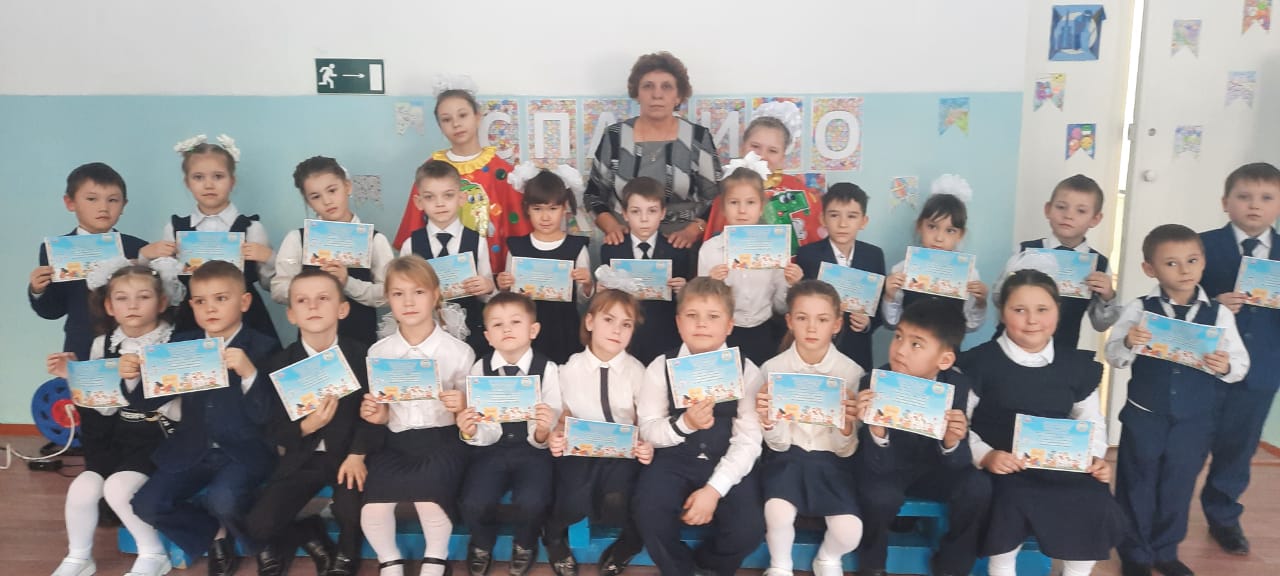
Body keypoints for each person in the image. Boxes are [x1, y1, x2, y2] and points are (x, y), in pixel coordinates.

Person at [961, 265, 1127, 576]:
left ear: (1058, 312)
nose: (1032, 320)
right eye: (1019, 310)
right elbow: (959, 424)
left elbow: (1091, 422)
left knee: (1094, 497)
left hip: (1062, 465)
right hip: (1004, 468)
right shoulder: (979, 362)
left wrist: (1094, 458)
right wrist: (986, 456)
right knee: (1005, 505)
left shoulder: (1075, 366)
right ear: (1002, 313)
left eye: (1042, 309)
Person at [1106, 224, 1250, 576]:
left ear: (1203, 262)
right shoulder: (1139, 309)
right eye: (1171, 263)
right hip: (1144, 416)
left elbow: (1240, 364)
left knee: (1178, 485)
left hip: (1194, 422)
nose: (1184, 270)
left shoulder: (1219, 314)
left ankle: (1165, 551)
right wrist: (1128, 343)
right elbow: (1113, 356)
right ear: (1149, 269)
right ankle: (1136, 554)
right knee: (1136, 483)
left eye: (1192, 260)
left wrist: (1225, 365)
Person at [130, 261, 282, 576]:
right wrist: (133, 377)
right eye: (200, 301)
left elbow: (268, 414)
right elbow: (146, 401)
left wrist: (249, 374)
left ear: (244, 302)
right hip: (192, 449)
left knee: (223, 499)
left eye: (221, 299)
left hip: (244, 451)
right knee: (146, 504)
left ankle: (261, 543)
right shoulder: (181, 345)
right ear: (191, 306)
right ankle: (216, 535)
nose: (210, 308)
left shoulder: (264, 348)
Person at [46, 260, 184, 576]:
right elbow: (103, 406)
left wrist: (138, 378)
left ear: (162, 302)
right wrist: (75, 376)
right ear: (109, 306)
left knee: (119, 488)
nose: (132, 305)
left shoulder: (175, 345)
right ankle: (79, 556)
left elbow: (179, 409)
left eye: (143, 297)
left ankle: (153, 553)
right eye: (122, 298)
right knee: (83, 487)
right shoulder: (102, 344)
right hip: (116, 437)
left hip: (159, 438)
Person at [633, 277, 766, 576]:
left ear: (729, 325)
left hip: (726, 458)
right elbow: (648, 428)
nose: (702, 324)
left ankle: (709, 565)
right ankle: (679, 569)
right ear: (679, 323)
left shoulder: (747, 371)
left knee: (749, 528)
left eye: (713, 316)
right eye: (692, 315)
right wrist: (684, 424)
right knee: (649, 512)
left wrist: (714, 491)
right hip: (673, 459)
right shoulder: (660, 366)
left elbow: (749, 441)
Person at [245, 269, 373, 576]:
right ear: (291, 315)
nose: (313, 306)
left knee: (351, 510)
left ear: (342, 309)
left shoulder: (363, 356)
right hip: (303, 457)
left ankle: (347, 552)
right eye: (302, 301)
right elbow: (273, 428)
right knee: (258, 525)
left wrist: (358, 454)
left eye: (323, 298)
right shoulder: (279, 364)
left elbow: (374, 415)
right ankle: (308, 531)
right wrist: (307, 426)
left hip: (349, 456)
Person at [855, 299, 990, 576]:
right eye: (898, 337)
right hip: (888, 470)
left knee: (977, 487)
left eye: (916, 344)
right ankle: (872, 565)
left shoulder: (957, 386)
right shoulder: (874, 382)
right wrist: (877, 430)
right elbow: (874, 465)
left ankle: (952, 565)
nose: (901, 349)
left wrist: (952, 441)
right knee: (879, 495)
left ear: (945, 360)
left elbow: (958, 462)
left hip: (934, 470)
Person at [360, 256, 475, 576]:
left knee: (429, 501)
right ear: (388, 299)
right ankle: (389, 560)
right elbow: (384, 412)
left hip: (443, 440)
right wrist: (377, 415)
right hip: (396, 442)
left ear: (435, 295)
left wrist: (462, 403)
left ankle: (436, 558)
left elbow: (472, 413)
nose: (408, 302)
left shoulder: (458, 352)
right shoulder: (379, 353)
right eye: (398, 294)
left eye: (419, 292)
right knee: (372, 509)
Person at [755, 281, 866, 576]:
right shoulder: (771, 369)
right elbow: (777, 445)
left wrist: (845, 426)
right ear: (789, 321)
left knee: (850, 531)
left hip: (832, 464)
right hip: (787, 458)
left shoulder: (852, 373)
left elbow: (846, 450)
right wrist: (769, 420)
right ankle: (780, 564)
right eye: (802, 318)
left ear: (837, 324)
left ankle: (828, 558)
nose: (812, 328)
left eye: (823, 319)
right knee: (777, 512)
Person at [1197, 162, 1280, 556]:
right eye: (1244, 196)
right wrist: (1210, 304)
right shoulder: (1201, 246)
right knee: (1186, 445)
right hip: (1204, 368)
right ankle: (1163, 512)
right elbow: (1172, 296)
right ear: (1225, 202)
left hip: (1261, 371)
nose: (1254, 205)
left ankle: (1223, 515)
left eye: (1266, 198)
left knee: (1239, 448)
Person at [543, 289, 654, 576]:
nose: (617, 330)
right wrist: (557, 434)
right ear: (590, 322)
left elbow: (646, 419)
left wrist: (645, 444)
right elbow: (562, 414)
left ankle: (630, 541)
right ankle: (553, 535)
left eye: (626, 324)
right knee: (572, 499)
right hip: (579, 450)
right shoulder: (568, 369)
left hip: (622, 453)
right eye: (609, 319)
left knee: (618, 498)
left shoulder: (638, 372)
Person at [457, 292, 562, 576]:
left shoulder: (547, 369)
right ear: (488, 336)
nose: (507, 329)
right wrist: (470, 430)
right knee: (473, 501)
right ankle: (481, 542)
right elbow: (481, 423)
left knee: (533, 500)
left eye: (515, 322)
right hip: (491, 449)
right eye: (497, 324)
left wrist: (543, 430)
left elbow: (552, 417)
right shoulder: (481, 368)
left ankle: (525, 542)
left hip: (532, 451)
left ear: (533, 330)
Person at [140, 134, 279, 343]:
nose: (208, 185)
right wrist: (147, 257)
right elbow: (167, 287)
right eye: (198, 177)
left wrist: (269, 257)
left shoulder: (252, 228)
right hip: (193, 318)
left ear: (232, 181)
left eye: (218, 176)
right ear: (187, 182)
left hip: (246, 320)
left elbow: (270, 284)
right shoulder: (175, 228)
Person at [585, 51, 722, 249]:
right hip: (626, 243)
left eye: (666, 87)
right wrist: (611, 227)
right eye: (648, 86)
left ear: (678, 96)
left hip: (682, 245)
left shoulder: (698, 138)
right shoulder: (614, 137)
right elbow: (593, 195)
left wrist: (694, 231)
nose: (657, 94)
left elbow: (716, 198)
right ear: (637, 94)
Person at [392, 80, 530, 273]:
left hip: (489, 275)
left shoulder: (501, 171)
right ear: (440, 126)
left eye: (463, 115)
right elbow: (414, 229)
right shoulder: (430, 170)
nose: (456, 124)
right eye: (446, 119)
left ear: (477, 117)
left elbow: (518, 231)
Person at [29, 162, 149, 361]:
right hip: (81, 347)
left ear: (123, 205)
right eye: (92, 199)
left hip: (133, 347)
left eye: (113, 200)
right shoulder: (56, 251)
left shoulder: (138, 248)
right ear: (70, 203)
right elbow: (52, 310)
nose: (103, 207)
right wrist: (37, 290)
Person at [272, 156, 395, 346]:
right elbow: (278, 289)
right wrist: (309, 290)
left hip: (361, 338)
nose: (327, 201)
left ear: (347, 187)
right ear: (308, 201)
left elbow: (389, 294)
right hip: (313, 344)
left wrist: (348, 283)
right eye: (316, 196)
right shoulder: (297, 239)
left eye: (332, 190)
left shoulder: (375, 240)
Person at [993, 174, 1120, 350]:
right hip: (1011, 348)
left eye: (1081, 211)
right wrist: (1014, 282)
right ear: (1048, 209)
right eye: (1061, 207)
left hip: (1061, 352)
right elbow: (998, 298)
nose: (1068, 215)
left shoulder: (1099, 265)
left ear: (1095, 219)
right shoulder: (1025, 252)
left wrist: (1108, 296)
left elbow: (1101, 325)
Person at [697, 156, 802, 365]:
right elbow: (701, 307)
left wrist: (791, 284)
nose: (742, 210)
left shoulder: (774, 248)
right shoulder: (710, 250)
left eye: (750, 202)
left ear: (761, 207)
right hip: (723, 335)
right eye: (734, 202)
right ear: (723, 208)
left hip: (765, 334)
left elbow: (781, 307)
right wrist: (711, 285)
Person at [497, 165, 594, 364]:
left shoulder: (576, 247)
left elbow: (582, 300)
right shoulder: (517, 247)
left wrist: (587, 284)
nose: (545, 217)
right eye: (537, 209)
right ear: (527, 209)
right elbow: (510, 297)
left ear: (564, 208)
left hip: (564, 329)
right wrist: (504, 285)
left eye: (553, 209)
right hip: (526, 331)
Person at [401, 159, 497, 354]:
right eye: (430, 197)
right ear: (418, 202)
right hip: (425, 337)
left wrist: (487, 287)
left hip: (471, 335)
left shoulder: (477, 241)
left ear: (461, 198)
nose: (440, 203)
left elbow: (486, 294)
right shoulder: (410, 245)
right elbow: (402, 292)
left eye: (448, 195)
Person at [703, 102, 825, 251]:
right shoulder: (727, 189)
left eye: (772, 151)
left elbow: (815, 248)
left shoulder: (800, 192)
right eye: (755, 146)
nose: (762, 156)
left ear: (782, 156)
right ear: (742, 147)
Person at [598, 176, 692, 364]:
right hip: (624, 337)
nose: (644, 219)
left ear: (663, 213)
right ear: (625, 214)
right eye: (635, 211)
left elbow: (686, 304)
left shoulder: (677, 251)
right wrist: (601, 291)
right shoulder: (611, 249)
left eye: (652, 211)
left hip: (665, 336)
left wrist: (684, 289)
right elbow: (608, 300)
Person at [881, 175, 988, 333]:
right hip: (910, 345)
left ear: (960, 235)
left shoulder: (969, 275)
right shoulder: (901, 270)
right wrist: (889, 296)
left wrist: (980, 302)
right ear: (919, 226)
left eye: (950, 230)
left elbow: (970, 326)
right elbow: (892, 323)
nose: (939, 238)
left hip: (947, 347)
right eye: (932, 227)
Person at [795, 182, 885, 371]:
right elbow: (799, 304)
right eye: (834, 215)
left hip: (857, 350)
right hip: (816, 349)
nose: (843, 224)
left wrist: (868, 323)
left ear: (863, 221)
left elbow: (879, 306)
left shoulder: (874, 256)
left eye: (852, 216)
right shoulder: (807, 255)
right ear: (823, 219)